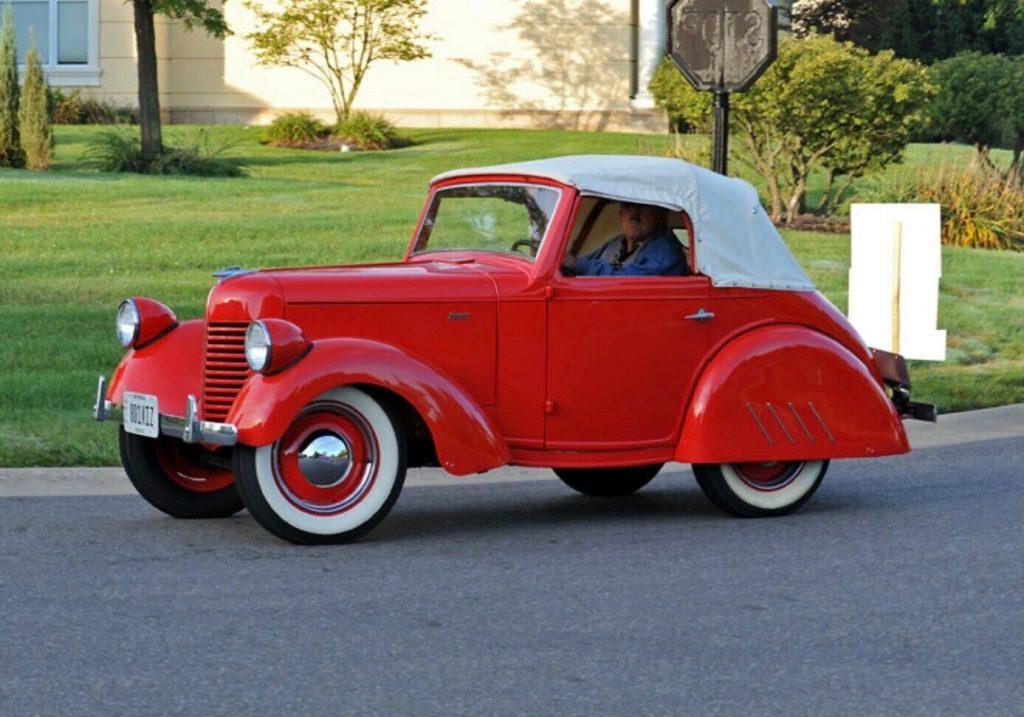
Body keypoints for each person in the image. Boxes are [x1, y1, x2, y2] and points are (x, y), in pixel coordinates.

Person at [565, 201, 689, 277]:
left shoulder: (664, 249)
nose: (634, 215)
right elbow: (584, 263)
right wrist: (567, 264)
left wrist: (576, 264)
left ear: (661, 216)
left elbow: (628, 281)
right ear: (620, 216)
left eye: (645, 207)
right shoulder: (616, 243)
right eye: (628, 206)